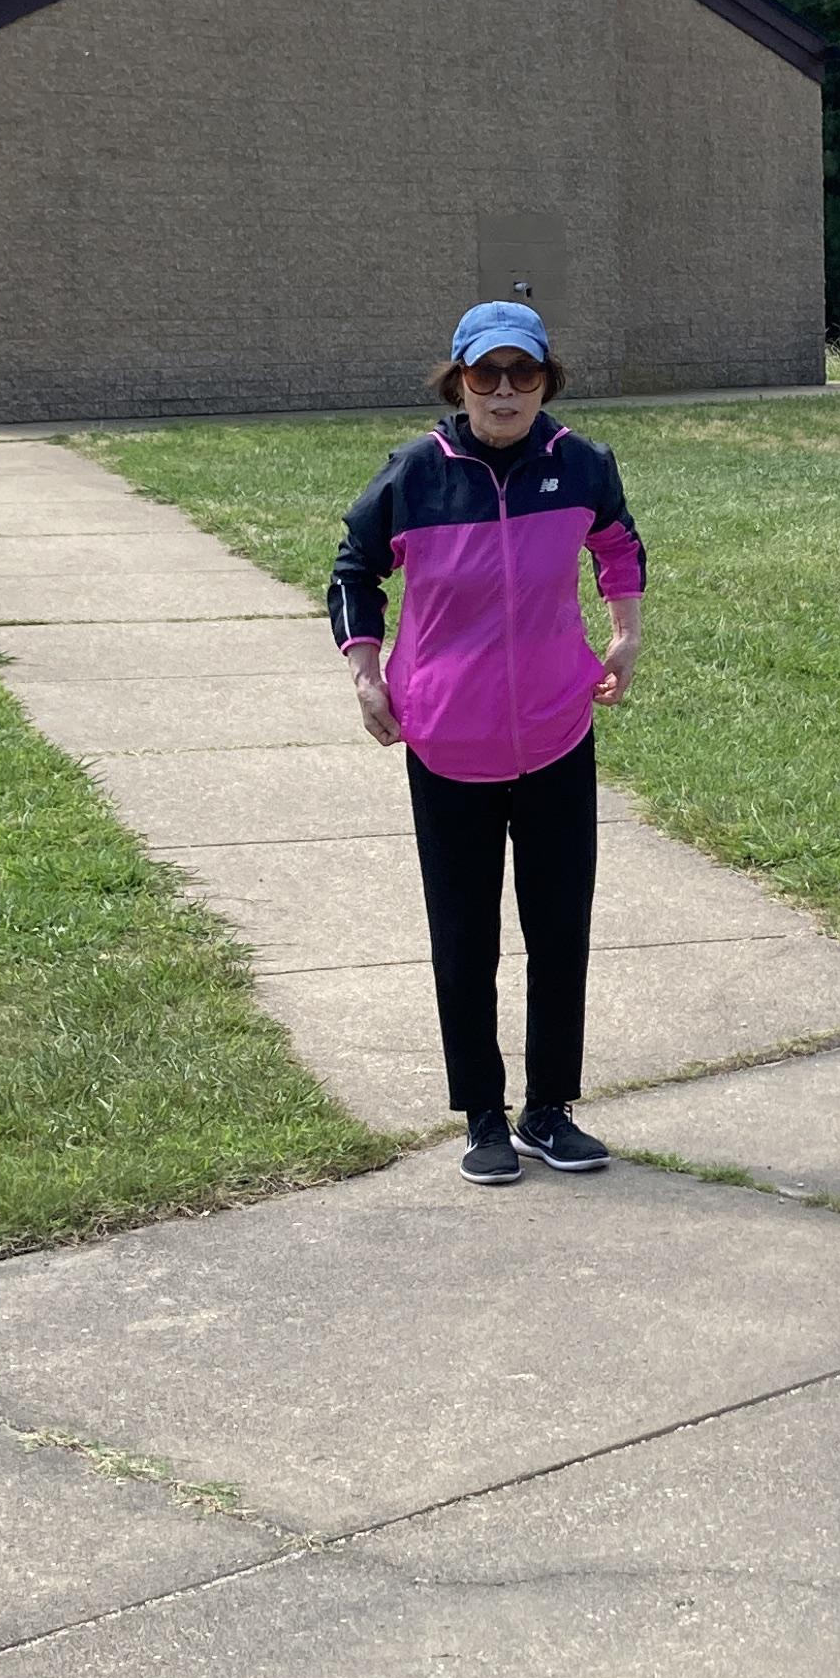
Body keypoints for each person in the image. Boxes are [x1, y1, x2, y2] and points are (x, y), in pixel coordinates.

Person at [328, 300, 644, 1186]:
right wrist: (366, 672)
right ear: (459, 380)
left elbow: (618, 543)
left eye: (523, 373)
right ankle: (483, 1117)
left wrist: (626, 632)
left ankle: (549, 1109)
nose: (505, 391)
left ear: (546, 381)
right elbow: (353, 569)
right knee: (465, 937)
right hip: (447, 743)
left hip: (556, 732)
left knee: (560, 929)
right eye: (486, 374)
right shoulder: (415, 473)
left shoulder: (580, 463)